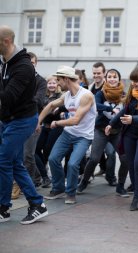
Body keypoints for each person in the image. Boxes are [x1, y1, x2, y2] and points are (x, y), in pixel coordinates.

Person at [0, 25, 48, 224]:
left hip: (22, 121)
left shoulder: (23, 66)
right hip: (9, 119)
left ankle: (3, 207)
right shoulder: (6, 62)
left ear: (6, 42)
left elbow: (8, 97)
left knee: (2, 161)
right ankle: (37, 204)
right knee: (14, 163)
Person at [37, 65, 97, 205]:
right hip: (68, 134)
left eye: (59, 80)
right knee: (53, 159)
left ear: (66, 79)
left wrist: (57, 123)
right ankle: (58, 189)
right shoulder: (67, 95)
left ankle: (71, 193)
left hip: (83, 137)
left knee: (72, 164)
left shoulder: (86, 96)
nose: (57, 83)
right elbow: (51, 106)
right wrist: (38, 122)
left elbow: (76, 120)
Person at [77, 68, 128, 197]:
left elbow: (128, 108)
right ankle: (83, 182)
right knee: (94, 158)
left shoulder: (124, 94)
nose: (112, 79)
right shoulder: (101, 93)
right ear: (106, 79)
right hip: (101, 131)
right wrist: (110, 109)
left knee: (124, 158)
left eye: (114, 77)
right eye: (109, 77)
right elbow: (95, 106)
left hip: (117, 132)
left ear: (119, 79)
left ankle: (120, 186)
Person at [106, 67, 138, 210]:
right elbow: (125, 110)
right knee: (131, 165)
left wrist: (134, 119)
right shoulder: (132, 93)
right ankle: (136, 194)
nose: (133, 83)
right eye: (132, 80)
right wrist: (111, 124)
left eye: (136, 80)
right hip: (129, 135)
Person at [35, 76, 64, 189]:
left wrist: (48, 110)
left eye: (54, 83)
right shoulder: (44, 96)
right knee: (36, 150)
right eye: (49, 83)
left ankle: (49, 175)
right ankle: (45, 176)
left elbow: (55, 111)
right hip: (44, 126)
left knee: (47, 151)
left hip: (55, 126)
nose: (51, 85)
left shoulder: (60, 96)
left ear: (57, 84)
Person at [23, 52, 47, 187]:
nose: (29, 66)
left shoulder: (41, 81)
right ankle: (36, 178)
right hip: (18, 120)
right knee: (21, 155)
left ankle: (32, 182)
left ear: (36, 63)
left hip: (34, 120)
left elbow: (38, 100)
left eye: (32, 63)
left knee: (28, 154)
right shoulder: (20, 78)